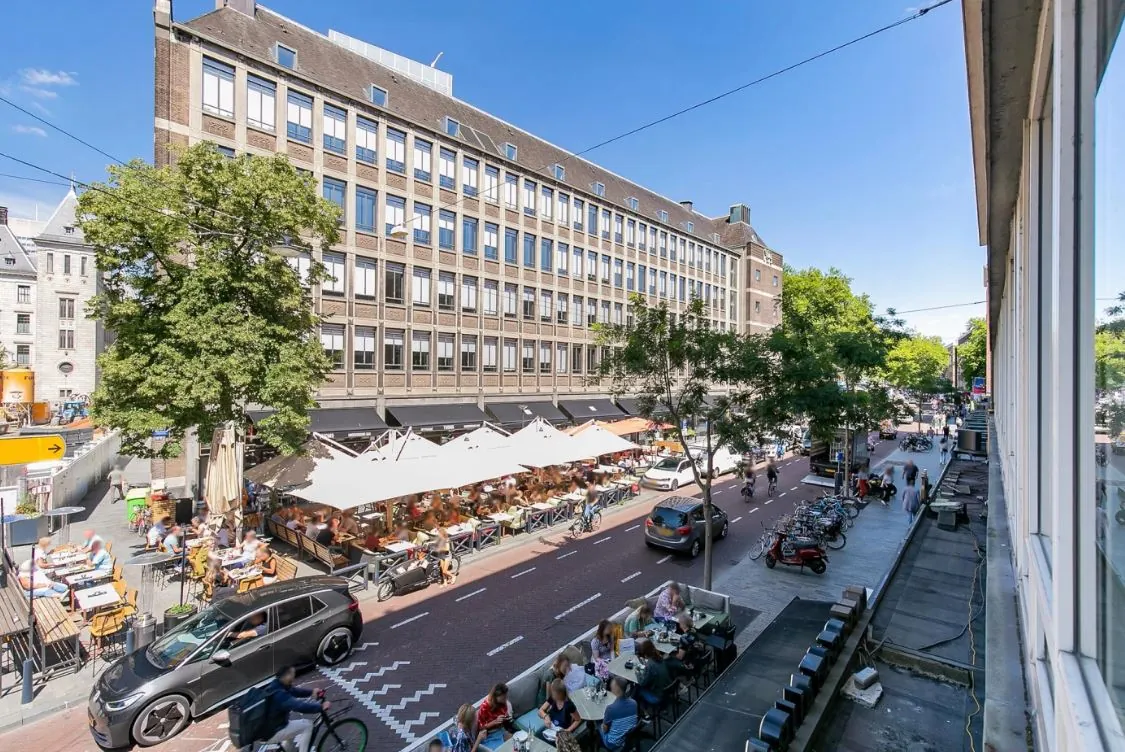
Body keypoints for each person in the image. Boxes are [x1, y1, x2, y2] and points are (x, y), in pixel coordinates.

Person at [257, 665, 327, 752]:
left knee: (291, 732)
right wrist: (321, 707)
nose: (294, 677)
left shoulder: (276, 685)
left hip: (271, 727)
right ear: (286, 676)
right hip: (272, 732)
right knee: (308, 725)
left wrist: (311, 692)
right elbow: (299, 706)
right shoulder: (280, 695)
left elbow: (294, 691)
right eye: (293, 674)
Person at [600, 677, 638, 752]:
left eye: (612, 685)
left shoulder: (610, 709)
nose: (611, 686)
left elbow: (605, 729)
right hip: (629, 738)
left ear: (616, 689)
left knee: (598, 724)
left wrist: (602, 727)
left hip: (613, 743)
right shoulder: (634, 703)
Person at [475, 683, 516, 749]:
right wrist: (495, 722)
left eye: (506, 696)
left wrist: (505, 718)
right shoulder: (485, 707)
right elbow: (481, 728)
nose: (505, 699)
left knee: (515, 742)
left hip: (501, 730)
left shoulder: (503, 703)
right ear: (496, 696)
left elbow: (506, 713)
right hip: (490, 735)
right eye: (503, 697)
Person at [634, 640, 671, 707]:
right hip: (667, 689)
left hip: (657, 696)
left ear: (645, 653)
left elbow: (642, 683)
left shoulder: (650, 665)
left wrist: (637, 673)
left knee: (636, 689)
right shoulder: (660, 658)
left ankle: (643, 711)